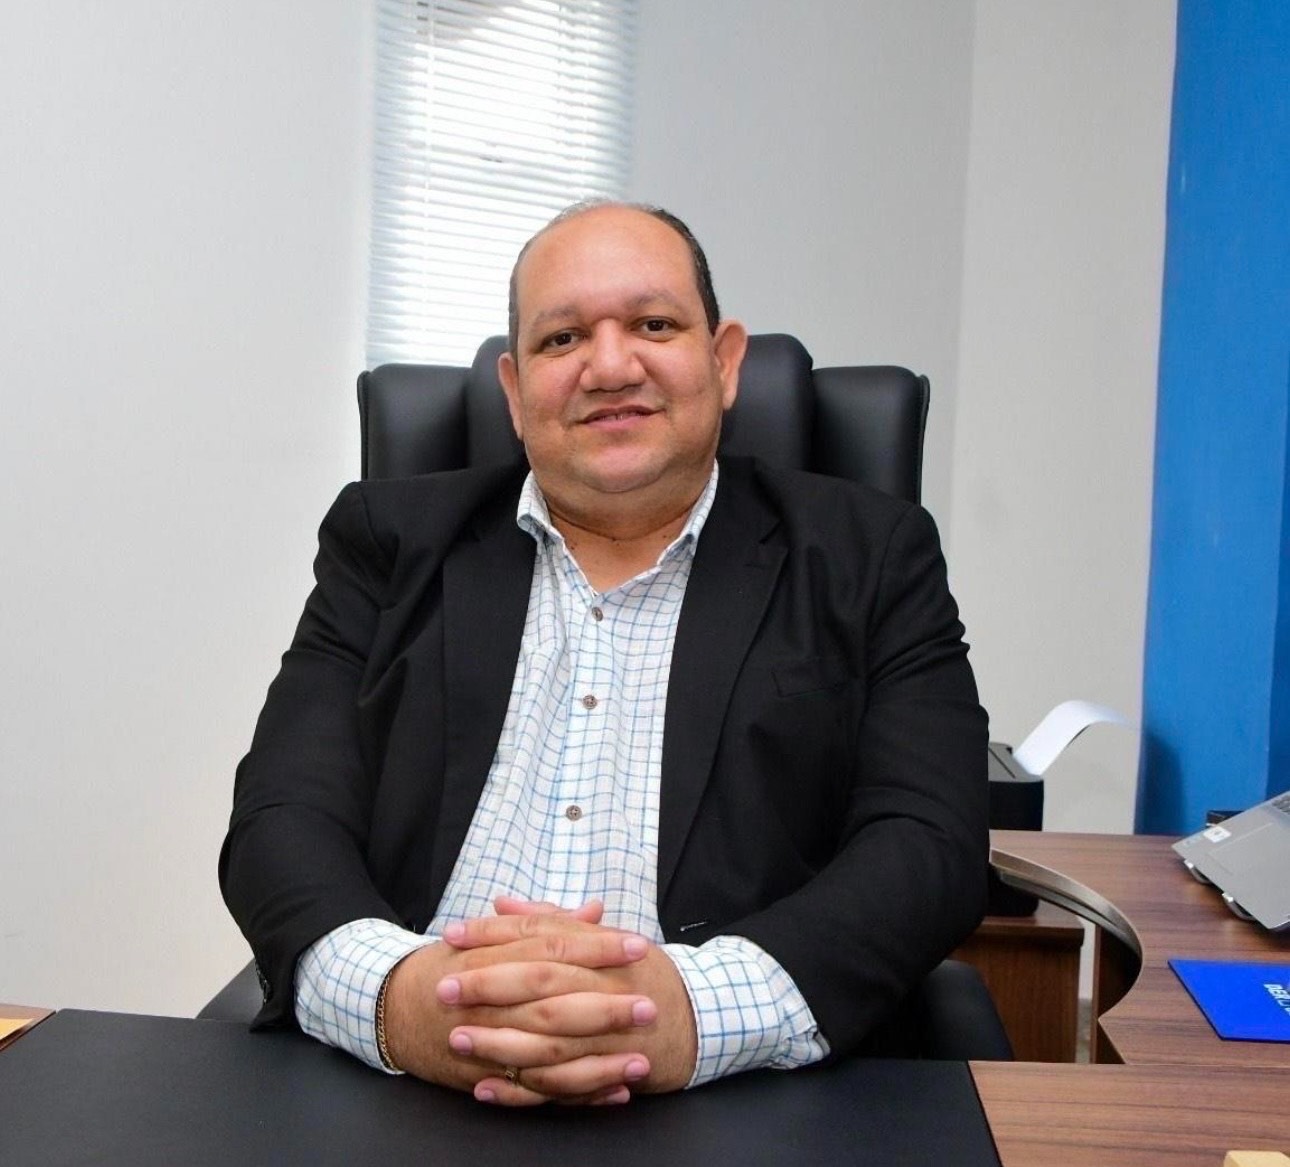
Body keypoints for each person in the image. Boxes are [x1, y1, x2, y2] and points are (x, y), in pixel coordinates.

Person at [219, 200, 988, 1108]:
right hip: (403, 1088)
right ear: (515, 392)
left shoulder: (871, 554)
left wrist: (689, 1012)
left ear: (724, 360)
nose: (611, 366)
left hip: (739, 1098)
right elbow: (281, 814)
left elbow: (928, 841)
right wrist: (401, 999)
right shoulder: (386, 542)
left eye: (654, 324)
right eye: (563, 338)